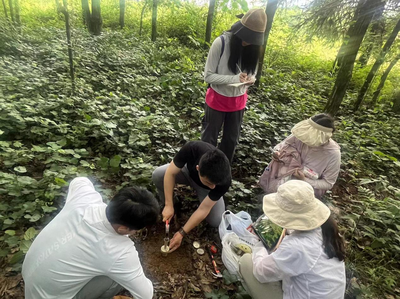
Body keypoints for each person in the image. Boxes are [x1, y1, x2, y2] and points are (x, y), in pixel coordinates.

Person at [22, 177, 159, 299]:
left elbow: (80, 180)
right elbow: (145, 295)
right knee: (114, 279)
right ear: (123, 229)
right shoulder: (118, 251)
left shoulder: (85, 199)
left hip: (30, 280)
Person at [239, 180, 346, 299]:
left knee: (247, 262)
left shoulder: (297, 246)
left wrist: (260, 244)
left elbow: (261, 272)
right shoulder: (324, 231)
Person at [202, 8, 267, 162]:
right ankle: (202, 170)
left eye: (253, 39)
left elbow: (253, 74)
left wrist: (251, 80)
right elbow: (208, 76)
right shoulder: (221, 43)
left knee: (230, 141)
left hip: (238, 102)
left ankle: (222, 173)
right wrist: (234, 79)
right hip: (217, 99)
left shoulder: (254, 48)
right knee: (208, 140)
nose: (248, 41)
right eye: (246, 37)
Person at [152, 140, 231, 252]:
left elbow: (204, 208)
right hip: (186, 172)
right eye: (210, 183)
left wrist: (182, 232)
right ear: (198, 168)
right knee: (158, 175)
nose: (213, 187)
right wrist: (168, 204)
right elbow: (170, 173)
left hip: (204, 189)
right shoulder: (192, 148)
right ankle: (174, 204)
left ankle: (213, 194)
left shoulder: (223, 180)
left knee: (216, 220)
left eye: (215, 184)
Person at [260, 113, 341, 198]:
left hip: (303, 194)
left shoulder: (333, 153)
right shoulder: (302, 135)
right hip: (280, 181)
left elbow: (328, 183)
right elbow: (283, 145)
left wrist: (304, 180)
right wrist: (277, 152)